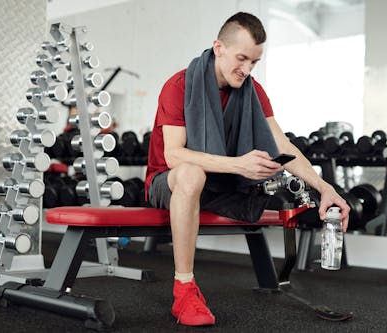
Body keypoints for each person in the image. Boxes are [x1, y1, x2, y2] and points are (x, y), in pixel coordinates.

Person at [145, 12, 350, 326]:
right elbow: (174, 155)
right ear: (219, 47)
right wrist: (238, 164)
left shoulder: (252, 92)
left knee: (238, 177)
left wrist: (326, 188)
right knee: (190, 172)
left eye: (254, 62)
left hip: (219, 185)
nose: (247, 70)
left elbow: (283, 147)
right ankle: (184, 289)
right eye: (241, 59)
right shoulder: (179, 85)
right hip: (167, 182)